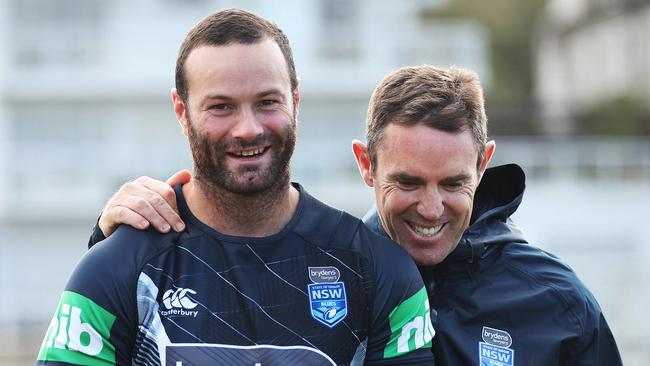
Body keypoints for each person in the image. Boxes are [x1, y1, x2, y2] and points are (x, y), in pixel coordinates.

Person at [92, 63, 624, 365]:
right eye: (408, 182)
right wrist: (114, 243)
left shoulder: (559, 305)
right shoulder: (318, 270)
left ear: (483, 163)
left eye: (454, 182)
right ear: (366, 165)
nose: (431, 209)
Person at [36, 9, 436, 366]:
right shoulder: (115, 268)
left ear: (295, 100)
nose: (248, 129)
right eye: (221, 106)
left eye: (267, 102)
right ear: (182, 111)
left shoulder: (378, 269)